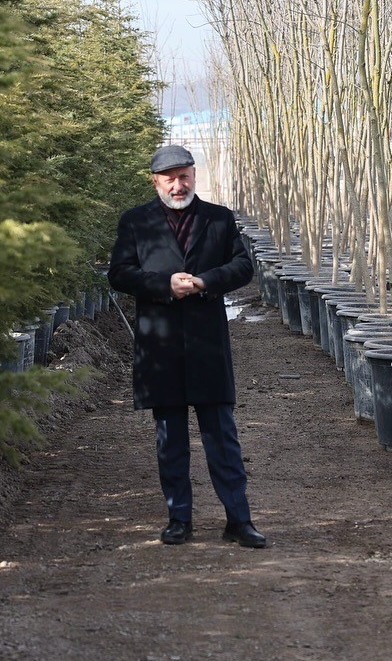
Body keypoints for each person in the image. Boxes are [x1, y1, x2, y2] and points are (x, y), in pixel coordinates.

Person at [107, 144, 266, 548]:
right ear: (155, 181)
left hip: (207, 343)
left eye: (185, 176)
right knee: (170, 438)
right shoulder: (136, 222)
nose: (179, 185)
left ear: (194, 175)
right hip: (159, 347)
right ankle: (179, 519)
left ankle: (239, 520)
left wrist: (205, 281)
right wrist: (164, 285)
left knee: (222, 437)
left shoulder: (218, 218)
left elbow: (244, 266)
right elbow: (120, 273)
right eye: (169, 178)